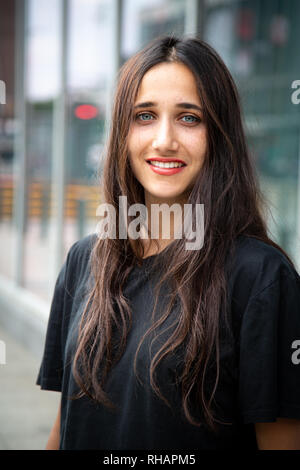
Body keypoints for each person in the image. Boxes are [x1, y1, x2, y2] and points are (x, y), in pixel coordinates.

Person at [37, 35, 300, 450]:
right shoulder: (84, 259)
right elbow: (65, 424)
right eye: (144, 116)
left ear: (219, 134)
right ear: (121, 133)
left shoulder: (261, 278)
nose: (164, 140)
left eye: (189, 118)